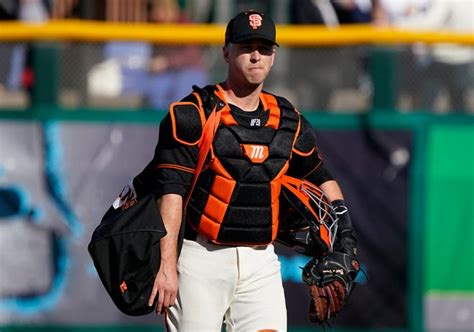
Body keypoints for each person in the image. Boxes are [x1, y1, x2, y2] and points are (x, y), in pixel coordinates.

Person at [144, 10, 358, 331]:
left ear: (273, 57)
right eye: (246, 46)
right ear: (227, 51)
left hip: (261, 263)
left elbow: (321, 175)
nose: (256, 55)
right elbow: (170, 191)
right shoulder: (194, 113)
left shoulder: (289, 120)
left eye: (265, 48)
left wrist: (346, 236)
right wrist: (166, 265)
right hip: (200, 257)